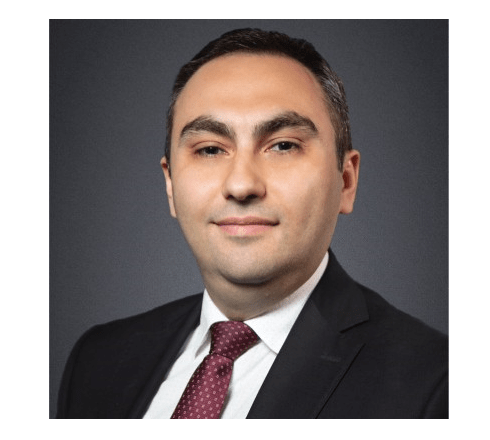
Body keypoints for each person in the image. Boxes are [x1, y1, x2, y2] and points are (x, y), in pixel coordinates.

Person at [57, 28, 448, 419]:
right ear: (171, 185)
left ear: (346, 181)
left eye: (283, 146)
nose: (241, 185)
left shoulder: (436, 385)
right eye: (210, 149)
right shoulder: (98, 361)